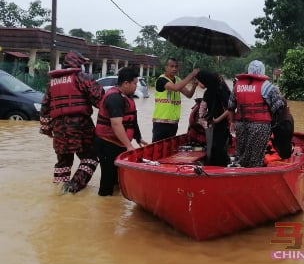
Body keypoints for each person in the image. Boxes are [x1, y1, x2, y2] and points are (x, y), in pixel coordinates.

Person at [39, 51, 104, 194]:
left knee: (63, 163)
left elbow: (45, 107)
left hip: (59, 128)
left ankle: (58, 192)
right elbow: (101, 100)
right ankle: (73, 187)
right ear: (78, 63)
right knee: (90, 158)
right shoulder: (82, 78)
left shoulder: (52, 82)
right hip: (81, 126)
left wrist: (46, 129)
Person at [94, 67, 147, 196]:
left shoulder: (127, 97)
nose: (136, 86)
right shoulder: (114, 98)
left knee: (118, 178)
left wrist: (138, 138)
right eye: (134, 83)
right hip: (107, 144)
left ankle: (114, 207)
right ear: (126, 83)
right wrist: (129, 146)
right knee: (108, 178)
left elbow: (132, 120)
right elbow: (117, 124)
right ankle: (104, 205)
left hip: (119, 144)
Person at [227, 60, 286, 168]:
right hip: (260, 126)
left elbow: (230, 107)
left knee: (241, 153)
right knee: (256, 157)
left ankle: (239, 171)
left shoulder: (237, 85)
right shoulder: (266, 86)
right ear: (262, 71)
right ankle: (254, 175)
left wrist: (232, 123)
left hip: (240, 125)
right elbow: (279, 107)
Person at [152, 58, 200, 142]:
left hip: (173, 122)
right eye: (171, 66)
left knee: (169, 149)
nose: (174, 69)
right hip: (161, 122)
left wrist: (194, 85)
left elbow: (189, 95)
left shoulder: (177, 80)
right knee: (158, 148)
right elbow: (175, 88)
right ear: (166, 67)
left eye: (176, 66)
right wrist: (192, 74)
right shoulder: (161, 80)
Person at [195, 70, 232, 166]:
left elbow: (229, 110)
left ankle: (217, 167)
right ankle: (217, 165)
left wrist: (217, 120)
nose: (197, 83)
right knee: (214, 148)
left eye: (199, 81)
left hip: (222, 124)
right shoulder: (209, 92)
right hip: (214, 124)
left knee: (217, 148)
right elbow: (203, 108)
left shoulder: (221, 91)